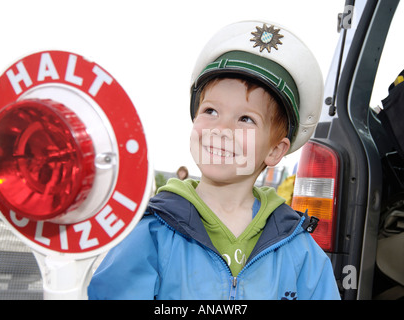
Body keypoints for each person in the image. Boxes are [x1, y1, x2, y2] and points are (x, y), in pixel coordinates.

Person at [88, 20, 340, 300]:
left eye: (246, 119)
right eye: (210, 111)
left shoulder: (301, 252)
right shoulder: (152, 233)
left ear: (275, 151)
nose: (221, 130)